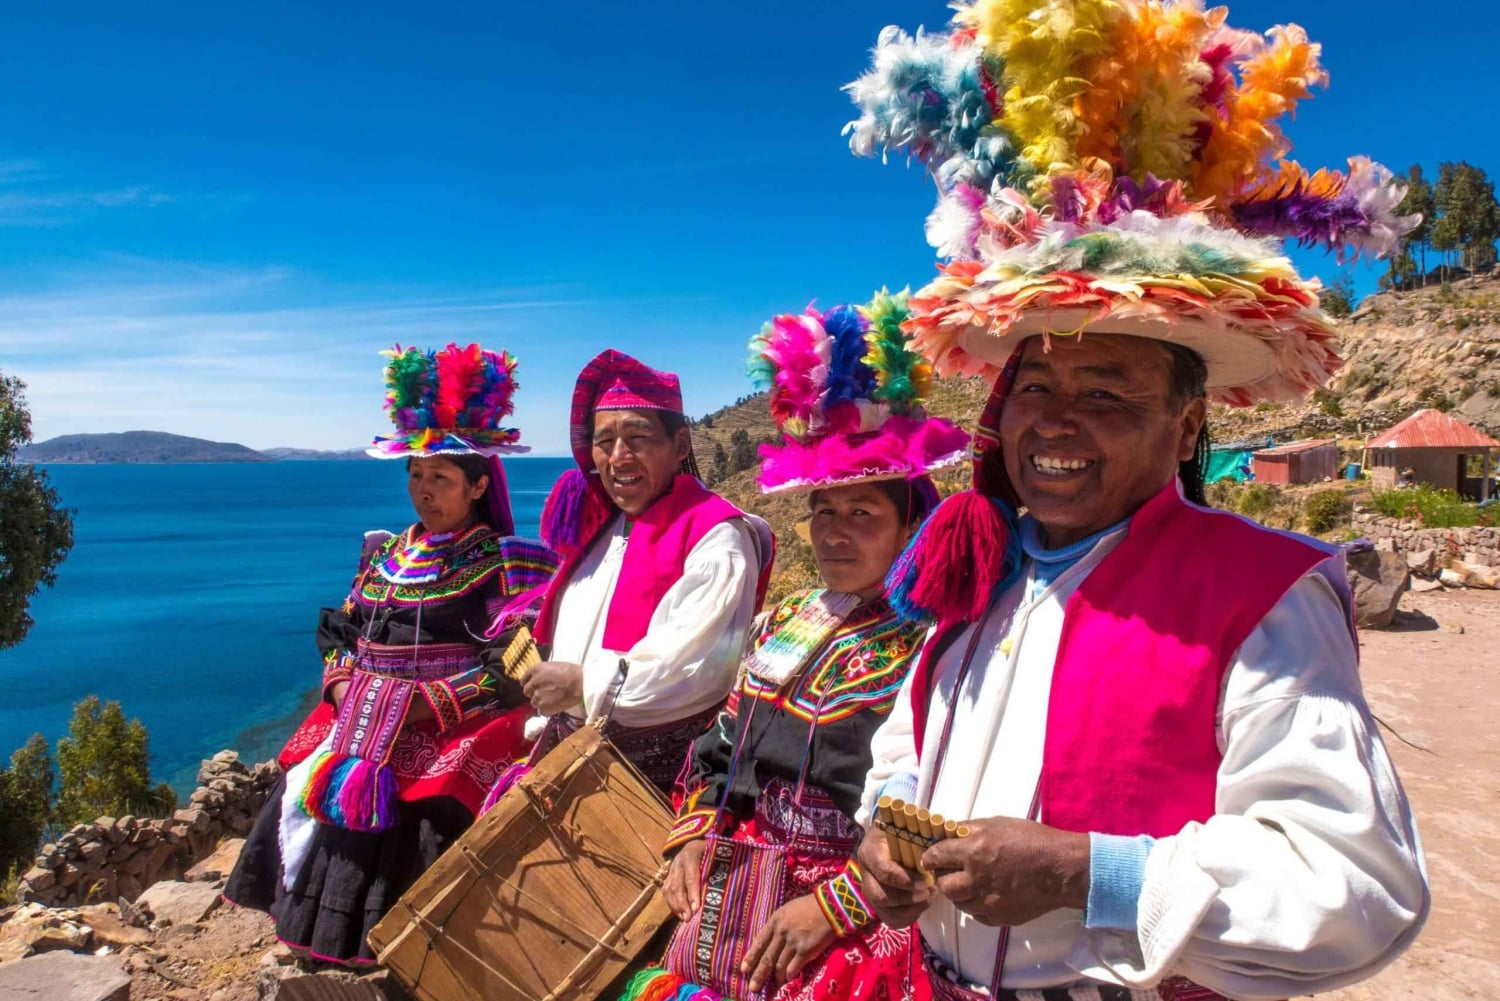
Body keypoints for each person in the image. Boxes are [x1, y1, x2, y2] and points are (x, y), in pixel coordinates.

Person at [841, 4, 1429, 999]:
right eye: (1037, 388)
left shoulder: (1262, 594)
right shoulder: (980, 565)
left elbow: (1356, 888)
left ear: (1186, 426)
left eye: (1106, 392)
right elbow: (911, 737)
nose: (1057, 423)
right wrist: (893, 816)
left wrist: (1091, 871)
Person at [621, 291, 967, 1001]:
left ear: (910, 525)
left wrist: (835, 906)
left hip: (856, 913)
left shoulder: (935, 644)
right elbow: (720, 744)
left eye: (863, 512)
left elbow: (938, 797)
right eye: (823, 511)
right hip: (738, 881)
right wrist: (690, 835)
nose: (837, 531)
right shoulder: (782, 623)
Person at [224, 343, 559, 965]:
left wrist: (424, 708)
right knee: (305, 776)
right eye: (415, 475)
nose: (423, 491)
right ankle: (317, 939)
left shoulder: (508, 561)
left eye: (441, 478)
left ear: (478, 485)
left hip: (447, 720)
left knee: (427, 806)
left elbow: (520, 660)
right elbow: (342, 631)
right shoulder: (386, 554)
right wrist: (339, 686)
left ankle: (416, 953)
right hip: (361, 710)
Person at [518, 349, 773, 793]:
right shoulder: (605, 527)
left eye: (637, 437)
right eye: (604, 441)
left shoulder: (717, 539)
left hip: (649, 790)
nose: (619, 457)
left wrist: (582, 683)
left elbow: (697, 669)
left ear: (679, 446)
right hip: (569, 759)